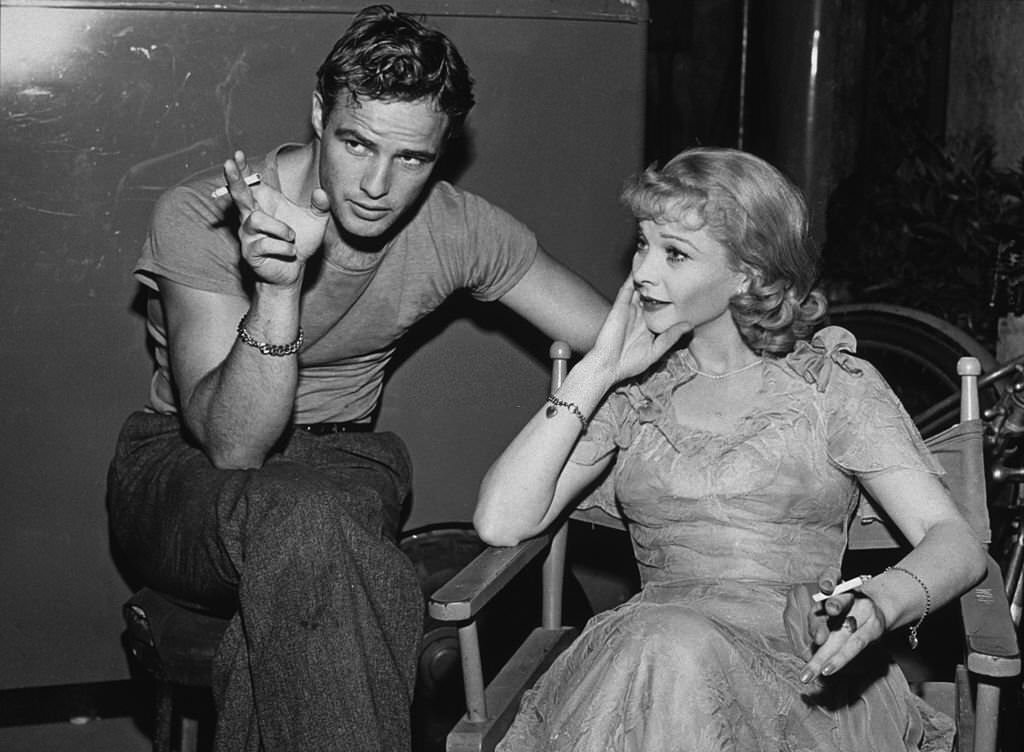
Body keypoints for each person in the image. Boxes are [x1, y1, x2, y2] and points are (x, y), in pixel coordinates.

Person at [105, 5, 609, 751]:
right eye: (355, 143)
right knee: (313, 530)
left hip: (340, 463)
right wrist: (277, 290)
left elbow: (616, 336)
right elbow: (233, 446)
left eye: (411, 159)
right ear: (318, 114)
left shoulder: (460, 228)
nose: (377, 184)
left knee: (305, 566)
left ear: (443, 149)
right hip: (183, 478)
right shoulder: (203, 216)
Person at [473, 146, 988, 751]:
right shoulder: (637, 391)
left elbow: (954, 542)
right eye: (642, 244)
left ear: (745, 273)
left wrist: (881, 602)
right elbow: (501, 520)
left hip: (800, 678)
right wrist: (600, 370)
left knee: (668, 648)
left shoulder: (828, 385)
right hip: (650, 660)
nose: (642, 273)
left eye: (675, 253)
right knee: (668, 646)